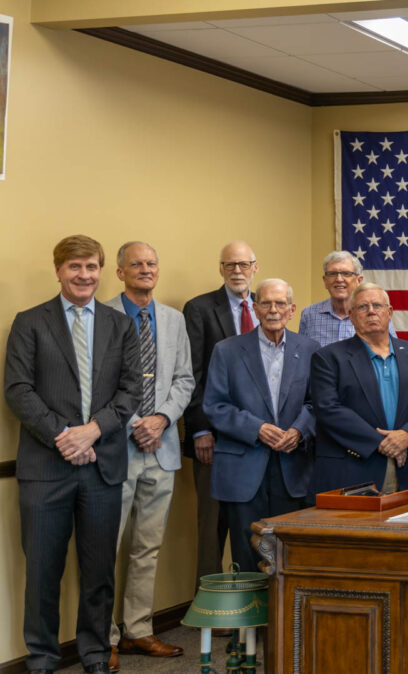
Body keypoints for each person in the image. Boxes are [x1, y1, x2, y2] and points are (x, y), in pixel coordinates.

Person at [5, 235, 140, 674]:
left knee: (99, 574)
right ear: (59, 270)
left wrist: (93, 431)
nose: (84, 275)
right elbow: (18, 390)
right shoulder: (29, 322)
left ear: (103, 271)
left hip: (102, 468)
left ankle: (96, 655)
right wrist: (64, 436)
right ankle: (42, 659)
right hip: (46, 469)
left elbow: (131, 391)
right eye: (75, 267)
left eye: (92, 267)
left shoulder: (120, 325)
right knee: (43, 573)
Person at [102, 242, 193, 670]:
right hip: (117, 448)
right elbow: (98, 385)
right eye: (136, 264)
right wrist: (138, 422)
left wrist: (160, 419)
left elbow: (184, 379)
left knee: (147, 547)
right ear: (119, 272)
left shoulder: (174, 320)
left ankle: (138, 630)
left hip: (162, 450)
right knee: (104, 546)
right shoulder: (100, 315)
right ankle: (104, 639)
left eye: (151, 263)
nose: (145, 269)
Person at [203, 279, 318, 574]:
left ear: (292, 310)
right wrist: (256, 428)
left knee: (289, 557)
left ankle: (282, 622)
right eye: (266, 303)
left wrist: (299, 430)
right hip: (243, 471)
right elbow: (215, 405)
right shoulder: (226, 351)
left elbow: (318, 403)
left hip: (293, 469)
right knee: (246, 554)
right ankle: (249, 621)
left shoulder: (310, 350)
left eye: (280, 304)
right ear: (255, 308)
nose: (273, 310)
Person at [309, 283, 408, 494]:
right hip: (353, 467)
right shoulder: (328, 358)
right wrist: (382, 442)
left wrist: (407, 434)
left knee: (407, 525)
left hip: (407, 467)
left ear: (389, 312)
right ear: (351, 315)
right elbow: (328, 408)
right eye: (363, 307)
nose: (371, 311)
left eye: (377, 305)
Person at [182, 241, 258, 586]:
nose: (237, 271)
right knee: (212, 527)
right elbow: (192, 373)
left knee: (253, 524)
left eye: (243, 265)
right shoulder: (199, 309)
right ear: (221, 269)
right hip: (214, 436)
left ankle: (251, 607)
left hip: (258, 438)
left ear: (255, 268)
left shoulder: (266, 306)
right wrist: (200, 430)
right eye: (230, 265)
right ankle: (210, 611)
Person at [298, 250, 396, 347]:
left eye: (346, 273)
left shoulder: (375, 315)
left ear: (359, 280)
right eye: (332, 274)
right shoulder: (309, 314)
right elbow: (301, 354)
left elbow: (391, 351)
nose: (339, 279)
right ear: (325, 281)